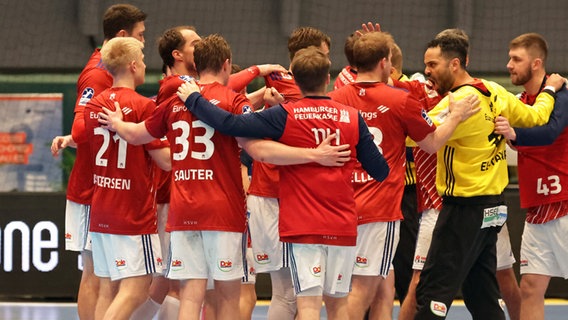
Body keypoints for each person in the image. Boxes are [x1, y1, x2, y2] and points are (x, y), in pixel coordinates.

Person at [96, 36, 351, 320]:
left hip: (183, 212)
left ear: (197, 64)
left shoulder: (174, 100)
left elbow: (137, 134)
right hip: (222, 211)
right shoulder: (232, 100)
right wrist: (314, 154)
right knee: (229, 294)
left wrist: (117, 123)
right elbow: (259, 151)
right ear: (226, 65)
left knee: (191, 295)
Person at [170, 45, 390, 320]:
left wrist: (194, 100)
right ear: (327, 79)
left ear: (295, 80)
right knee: (339, 306)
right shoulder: (352, 117)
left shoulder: (285, 115)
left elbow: (230, 124)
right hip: (343, 223)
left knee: (307, 305)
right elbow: (381, 171)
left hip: (302, 225)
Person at [408, 31, 564, 319]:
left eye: (433, 65)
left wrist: (395, 109)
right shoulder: (495, 91)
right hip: (494, 209)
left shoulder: (457, 103)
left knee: (432, 291)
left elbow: (417, 138)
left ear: (454, 65)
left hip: (462, 211)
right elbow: (536, 116)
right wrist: (550, 91)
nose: (428, 72)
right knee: (481, 294)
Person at [327, 31, 479, 320]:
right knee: (361, 290)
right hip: (377, 210)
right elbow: (432, 143)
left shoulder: (335, 99)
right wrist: (457, 115)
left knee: (381, 286)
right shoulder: (401, 100)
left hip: (338, 207)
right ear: (385, 63)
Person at [49, 4, 147, 319]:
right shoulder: (98, 73)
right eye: (140, 36)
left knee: (107, 276)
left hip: (105, 186)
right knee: (96, 273)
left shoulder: (106, 72)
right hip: (95, 187)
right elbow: (81, 127)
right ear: (122, 36)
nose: (144, 44)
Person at [246, 26, 332, 320]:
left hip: (282, 198)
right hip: (277, 197)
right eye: (325, 55)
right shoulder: (300, 92)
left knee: (298, 292)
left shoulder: (281, 85)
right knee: (292, 292)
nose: (328, 62)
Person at [83, 37, 170, 320]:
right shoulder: (144, 106)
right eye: (143, 60)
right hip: (131, 212)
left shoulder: (93, 105)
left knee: (109, 287)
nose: (145, 65)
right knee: (136, 288)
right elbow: (165, 161)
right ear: (133, 65)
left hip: (101, 209)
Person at [494, 32, 568, 320]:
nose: (509, 65)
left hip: (563, 204)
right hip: (536, 210)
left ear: (536, 63)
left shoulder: (561, 94)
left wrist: (514, 134)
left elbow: (549, 134)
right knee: (530, 287)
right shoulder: (520, 101)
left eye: (516, 59)